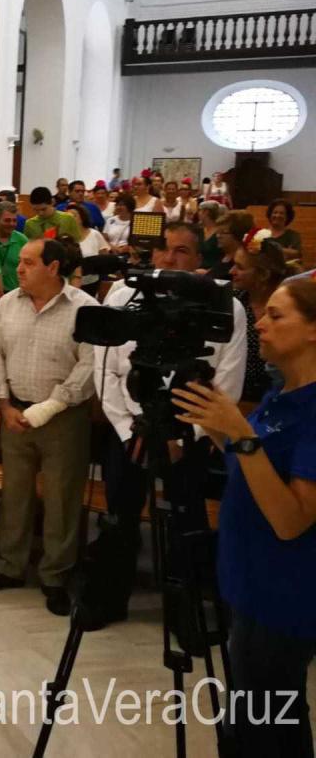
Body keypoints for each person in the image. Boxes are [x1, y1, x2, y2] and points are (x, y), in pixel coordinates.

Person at [170, 278, 316, 757]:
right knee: (249, 718)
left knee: (272, 723)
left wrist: (242, 435)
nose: (260, 324)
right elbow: (251, 467)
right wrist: (218, 427)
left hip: (284, 592)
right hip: (247, 579)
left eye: (277, 315)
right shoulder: (283, 392)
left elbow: (291, 520)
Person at [87, 221, 247, 631]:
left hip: (189, 433)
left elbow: (226, 382)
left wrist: (185, 435)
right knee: (118, 517)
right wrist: (128, 430)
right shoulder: (125, 296)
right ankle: (109, 599)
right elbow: (106, 372)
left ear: (197, 260)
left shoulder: (223, 304)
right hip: (130, 430)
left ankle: (184, 611)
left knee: (184, 521)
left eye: (181, 251)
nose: (169, 259)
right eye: (163, 249)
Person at [0, 239, 97, 615]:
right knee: (14, 495)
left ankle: (55, 576)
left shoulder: (84, 309)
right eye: (20, 263)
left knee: (61, 499)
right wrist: (4, 405)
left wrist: (51, 406)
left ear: (53, 267)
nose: (20, 269)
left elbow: (89, 365)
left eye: (28, 263)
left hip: (62, 417)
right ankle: (10, 566)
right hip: (14, 415)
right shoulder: (8, 304)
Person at [231, 238, 287, 402]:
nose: (232, 271)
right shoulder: (232, 302)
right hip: (236, 397)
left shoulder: (289, 309)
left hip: (277, 398)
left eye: (240, 267)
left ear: (263, 275)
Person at [212, 210, 255, 281]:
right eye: (217, 232)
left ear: (238, 234)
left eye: (223, 232)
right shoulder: (223, 254)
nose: (218, 236)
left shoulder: (241, 263)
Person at [265, 198, 303, 264]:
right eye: (275, 212)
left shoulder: (293, 235)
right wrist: (286, 251)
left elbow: (297, 254)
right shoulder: (260, 234)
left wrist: (270, 249)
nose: (277, 215)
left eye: (281, 213)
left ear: (287, 217)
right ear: (270, 215)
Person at [198, 200, 227, 271]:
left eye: (200, 211)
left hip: (214, 271)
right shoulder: (199, 230)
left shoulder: (220, 232)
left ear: (206, 212)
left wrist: (209, 271)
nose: (198, 213)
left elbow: (225, 257)